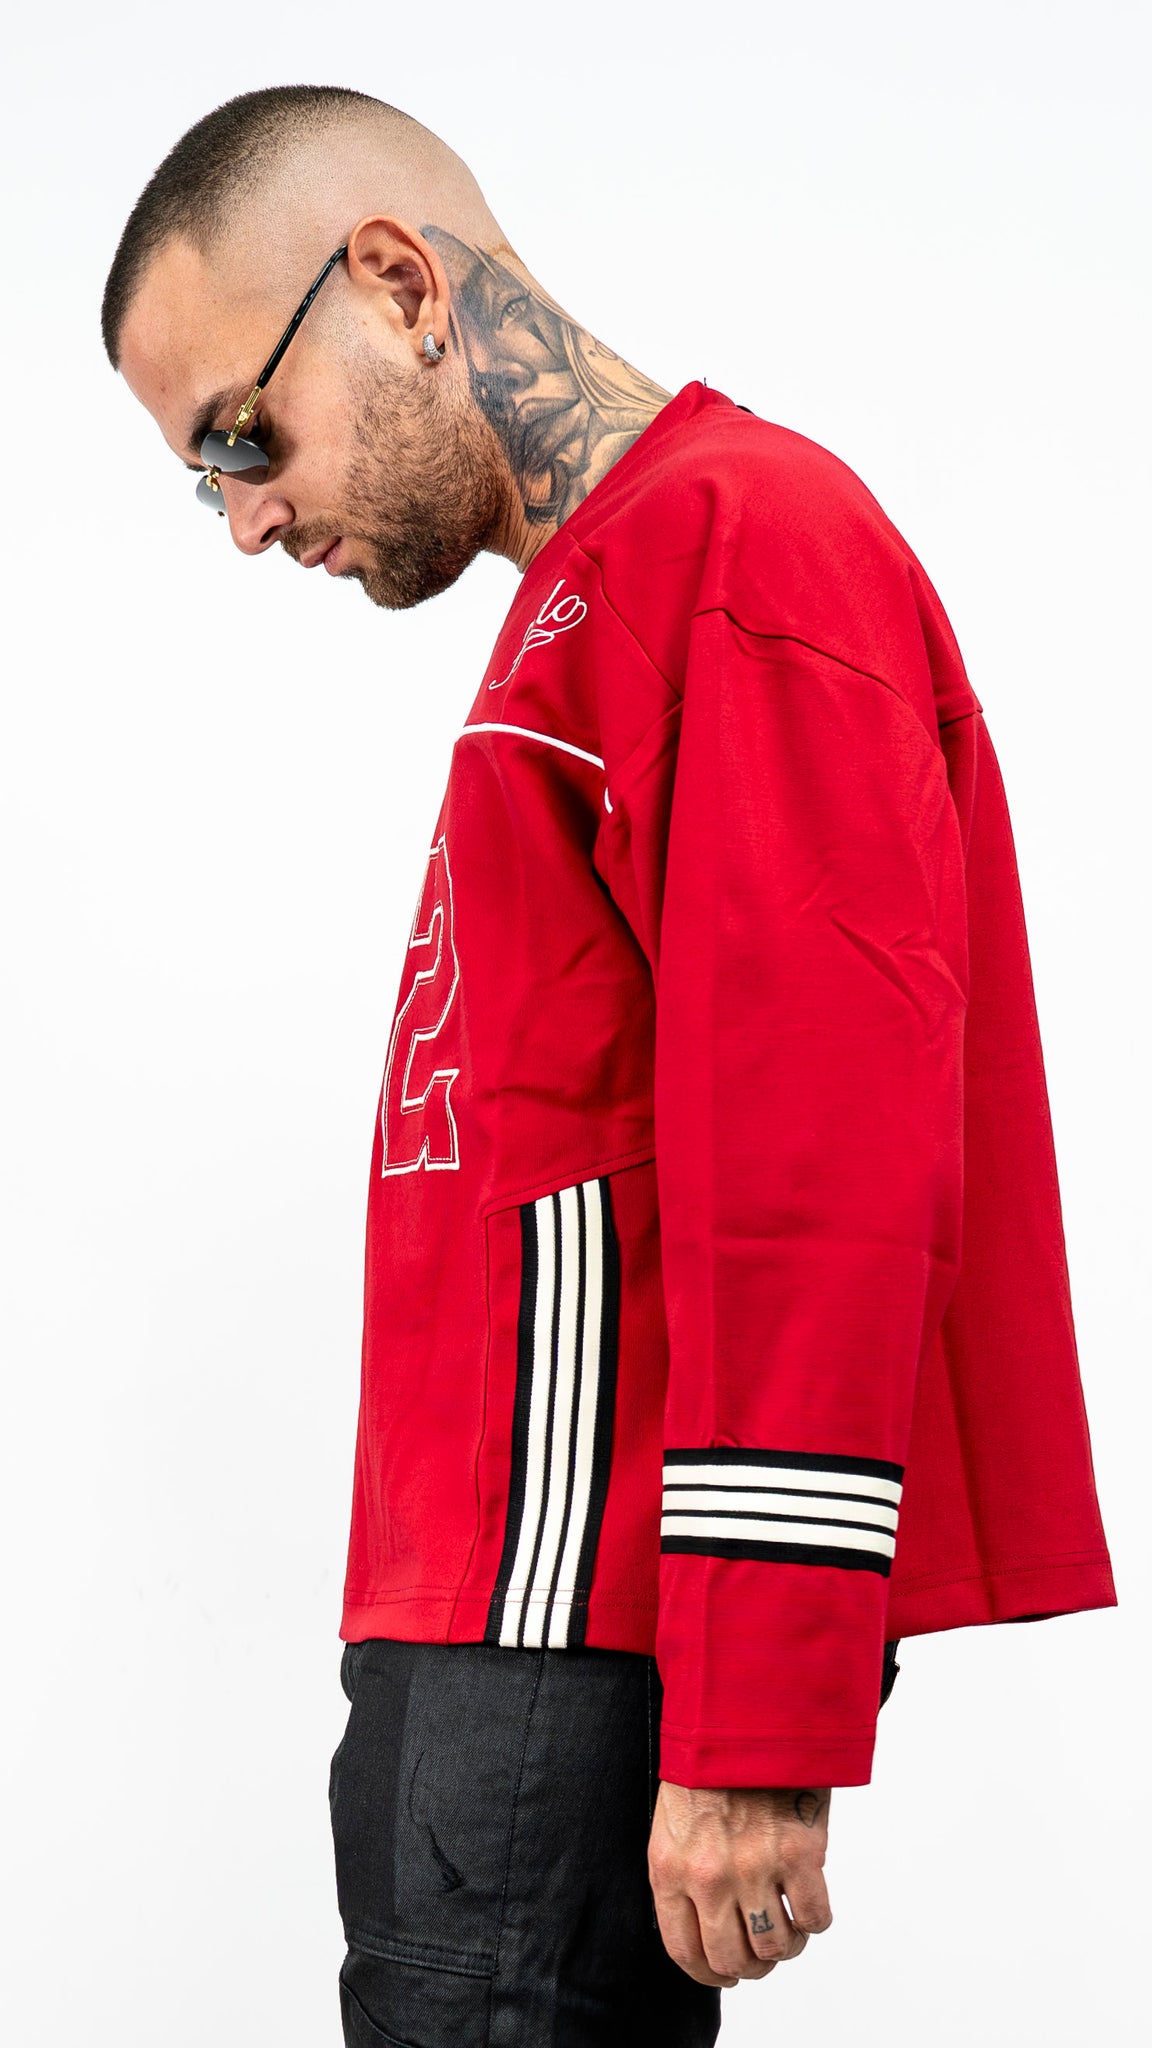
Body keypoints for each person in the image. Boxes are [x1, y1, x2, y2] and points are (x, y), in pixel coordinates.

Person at [101, 84, 1116, 2048]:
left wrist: (761, 1715)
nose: (245, 518)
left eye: (239, 433)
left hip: (559, 1646)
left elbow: (818, 1160)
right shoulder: (596, 593)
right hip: (474, 1635)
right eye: (202, 478)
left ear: (398, 284)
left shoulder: (738, 544)